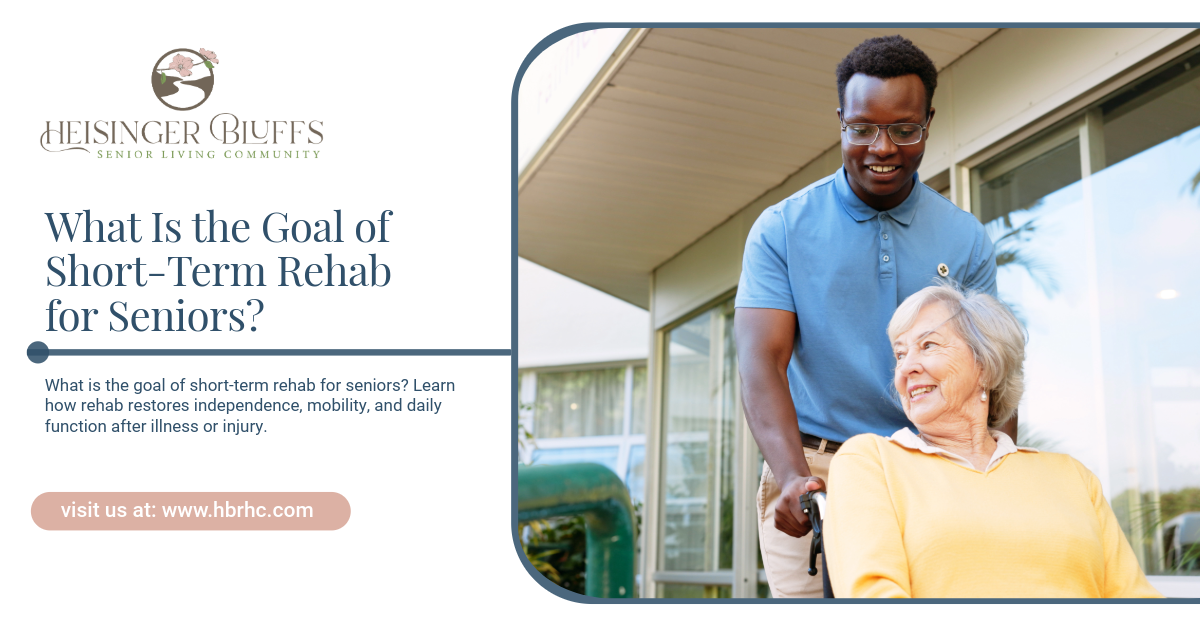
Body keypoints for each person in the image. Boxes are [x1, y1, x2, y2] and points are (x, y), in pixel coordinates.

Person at [735, 35, 1005, 597]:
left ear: (927, 123)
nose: (882, 148)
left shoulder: (965, 238)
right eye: (862, 129)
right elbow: (762, 360)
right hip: (814, 469)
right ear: (841, 122)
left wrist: (995, 476)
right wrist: (790, 476)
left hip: (930, 466)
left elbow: (989, 374)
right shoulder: (782, 228)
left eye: (904, 130)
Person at [823, 283, 1161, 598]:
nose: (906, 367)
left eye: (928, 345)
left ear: (984, 365)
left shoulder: (1072, 477)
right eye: (899, 355)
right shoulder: (871, 462)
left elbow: (1135, 601)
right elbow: (873, 599)